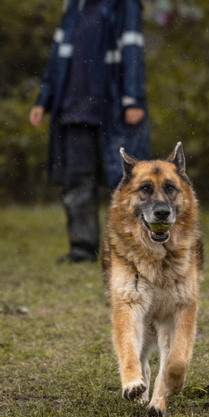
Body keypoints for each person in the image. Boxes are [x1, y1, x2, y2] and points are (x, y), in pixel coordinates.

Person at [30, 0, 150, 263]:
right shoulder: (74, 7)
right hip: (71, 112)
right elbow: (57, 58)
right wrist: (43, 99)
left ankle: (135, 247)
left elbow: (132, 53)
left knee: (125, 182)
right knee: (77, 182)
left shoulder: (124, 5)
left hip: (112, 110)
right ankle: (83, 248)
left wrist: (133, 99)